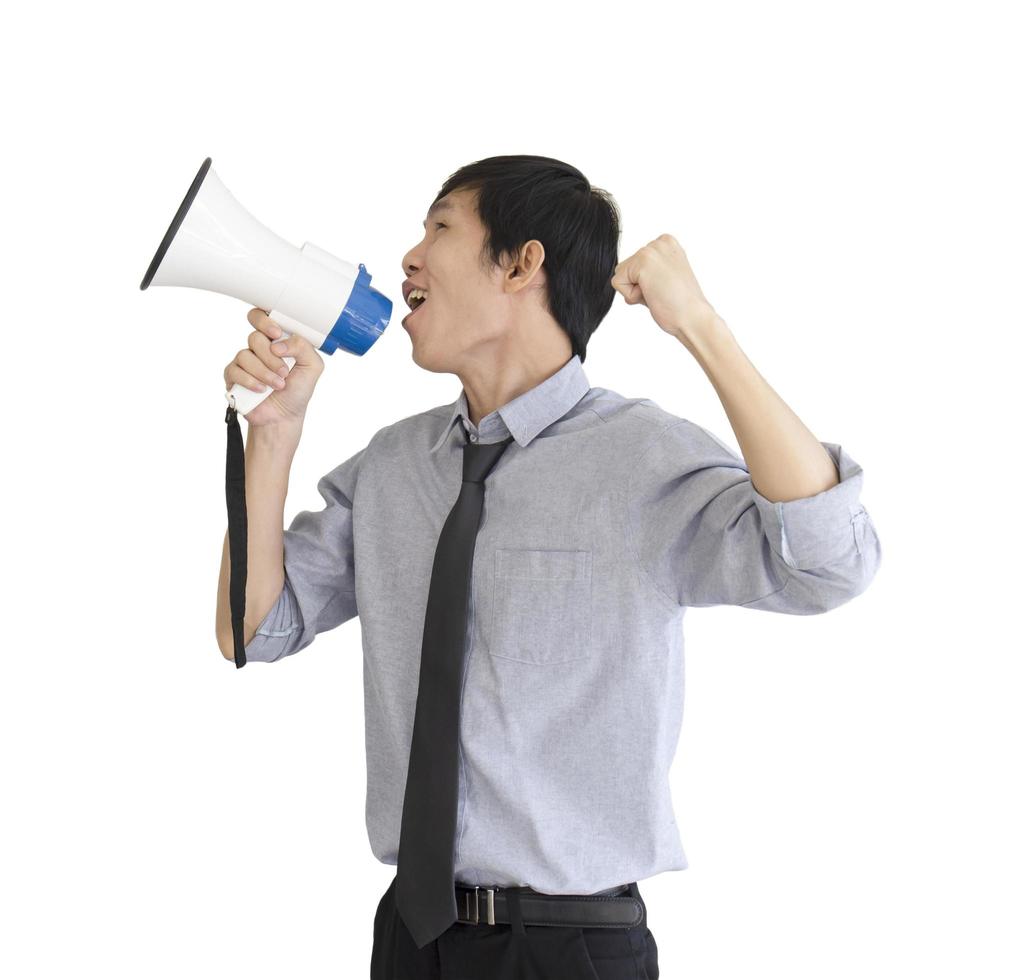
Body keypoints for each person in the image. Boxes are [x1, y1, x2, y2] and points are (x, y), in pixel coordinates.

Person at [215, 155, 882, 979]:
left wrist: (700, 324)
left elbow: (830, 562)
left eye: (441, 227)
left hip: (572, 949)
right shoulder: (392, 467)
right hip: (410, 940)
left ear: (523, 263)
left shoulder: (641, 458)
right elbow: (254, 631)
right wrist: (273, 435)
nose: (410, 257)